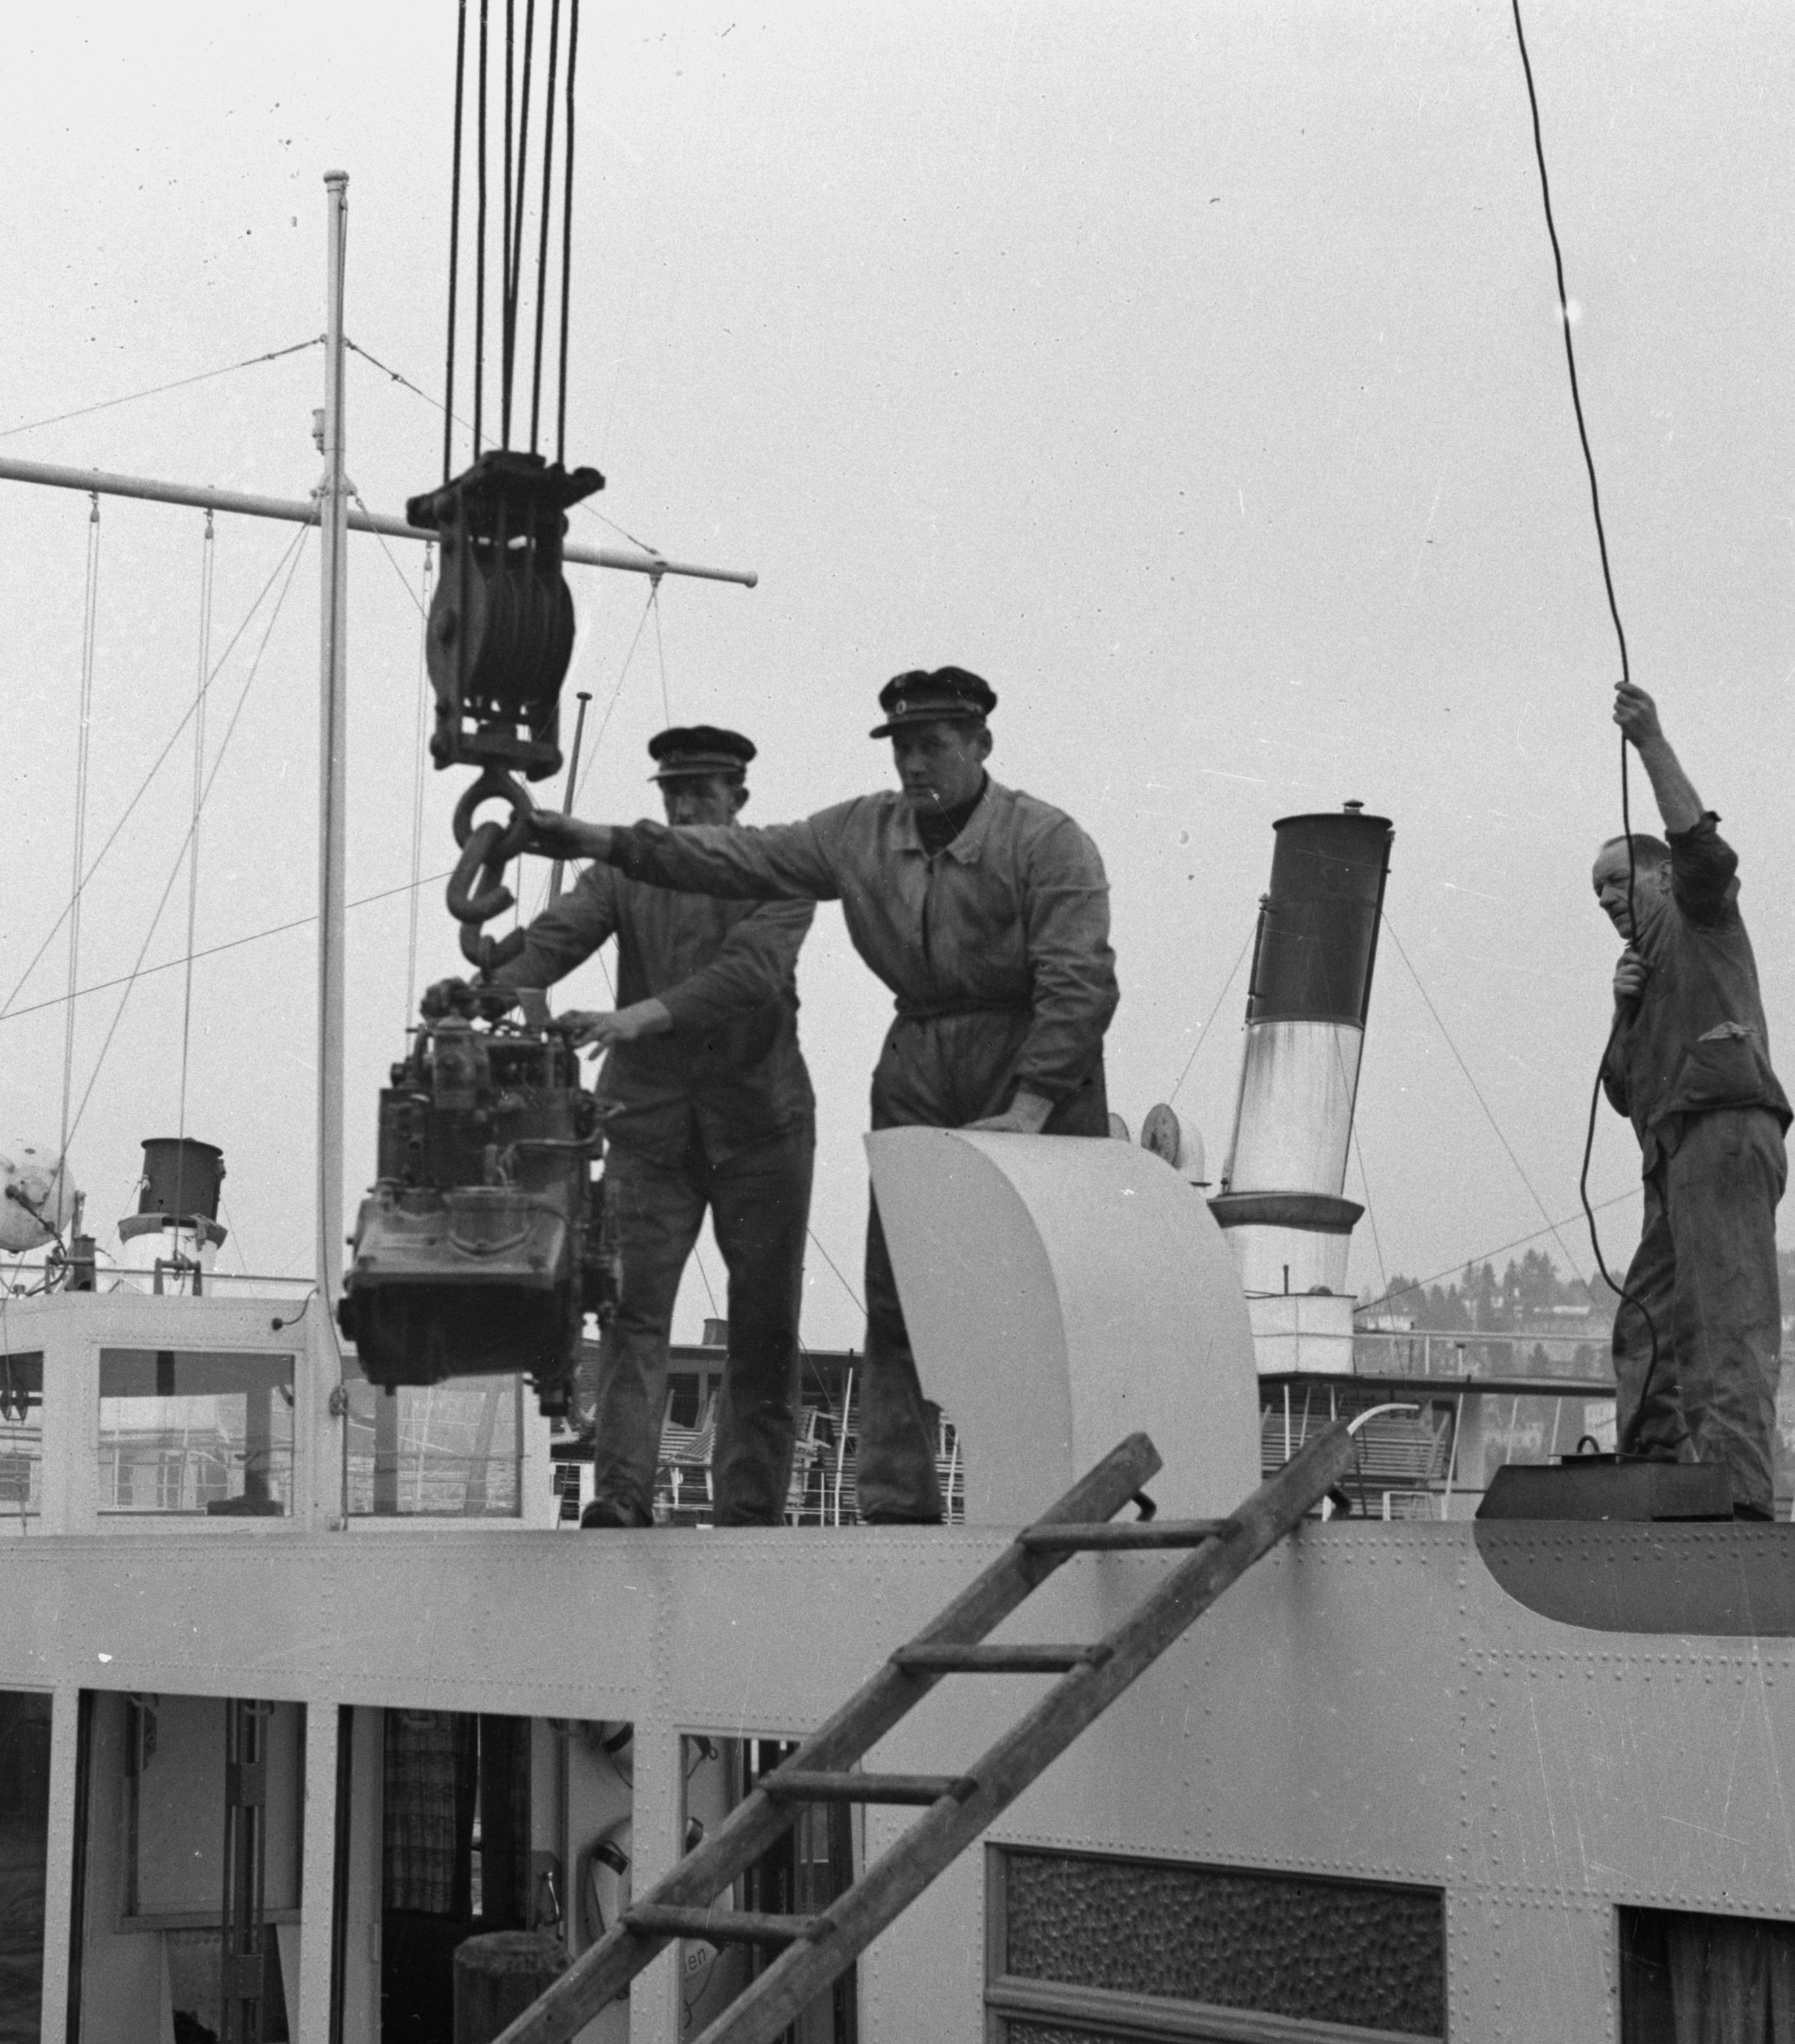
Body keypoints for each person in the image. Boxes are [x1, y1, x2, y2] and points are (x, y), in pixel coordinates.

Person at [518, 667, 1119, 1523]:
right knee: (896, 1286)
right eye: (902, 747)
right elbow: (717, 862)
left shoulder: (1048, 841)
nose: (914, 764)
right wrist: (590, 843)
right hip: (909, 1056)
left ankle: (1059, 1495)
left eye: (933, 745)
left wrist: (1031, 1105)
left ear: (981, 745)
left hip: (1018, 1060)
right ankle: (895, 1505)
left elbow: (1080, 982)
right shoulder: (857, 834)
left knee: (1039, 1289)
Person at [428, 726, 817, 1529]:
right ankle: (620, 1497)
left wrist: (635, 1018)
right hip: (651, 1131)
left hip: (762, 1133)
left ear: (739, 798)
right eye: (673, 793)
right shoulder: (620, 876)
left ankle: (749, 1512)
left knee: (765, 1324)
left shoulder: (783, 874)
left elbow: (749, 974)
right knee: (632, 1313)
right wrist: (483, 990)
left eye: (702, 793)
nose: (685, 808)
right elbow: (553, 940)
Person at [1594, 680, 1790, 1519]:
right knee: (1649, 1320)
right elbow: (1621, 1091)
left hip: (1724, 1132)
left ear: (1662, 876)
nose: (1607, 900)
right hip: (1672, 1157)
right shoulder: (1642, 974)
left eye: (1616, 882)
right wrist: (1623, 1008)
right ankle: (1656, 1476)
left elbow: (1706, 851)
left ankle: (1738, 1502)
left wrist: (1651, 742)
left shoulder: (1701, 912)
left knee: (1723, 1321)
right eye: (1598, 894)